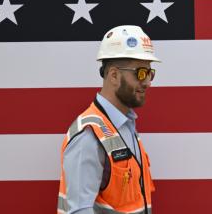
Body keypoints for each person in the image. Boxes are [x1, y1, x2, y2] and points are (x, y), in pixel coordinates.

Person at [57, 25, 160, 214]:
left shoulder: (126, 126)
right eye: (140, 73)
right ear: (114, 75)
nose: (147, 82)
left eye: (149, 73)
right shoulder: (88, 135)